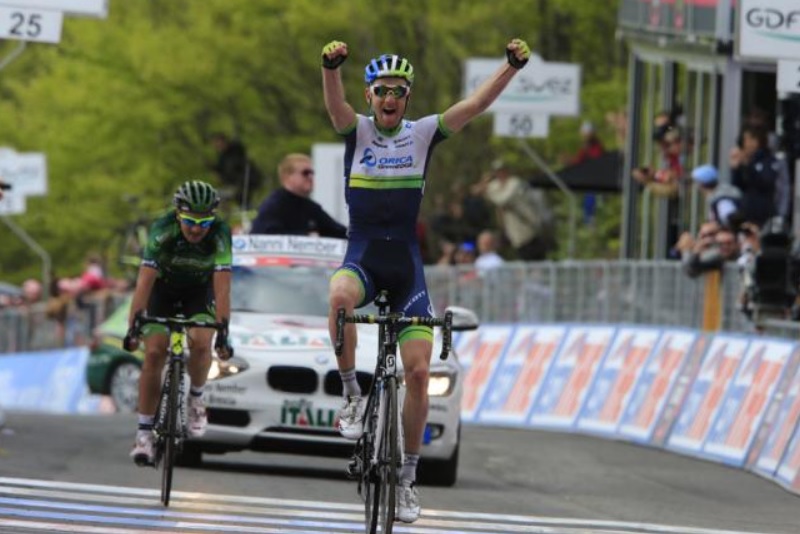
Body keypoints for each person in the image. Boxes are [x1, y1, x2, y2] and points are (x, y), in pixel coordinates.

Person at [320, 37, 531, 522]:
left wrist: (511, 67)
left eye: (398, 90)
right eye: (381, 90)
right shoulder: (357, 132)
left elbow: (475, 105)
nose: (389, 98)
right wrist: (330, 69)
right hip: (364, 258)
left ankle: (408, 478)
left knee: (418, 373)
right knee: (338, 296)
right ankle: (353, 396)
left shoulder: (423, 134)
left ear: (407, 97)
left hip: (407, 266)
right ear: (370, 96)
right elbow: (335, 108)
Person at [124, 180, 234, 466]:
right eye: (189, 221)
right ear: (177, 215)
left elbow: (222, 287)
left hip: (198, 293)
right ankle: (144, 434)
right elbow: (144, 283)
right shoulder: (162, 229)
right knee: (154, 352)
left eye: (204, 221)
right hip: (162, 292)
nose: (197, 229)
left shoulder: (221, 233)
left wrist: (224, 332)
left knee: (201, 343)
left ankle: (196, 400)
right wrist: (133, 326)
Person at [250, 153, 347, 237]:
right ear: (287, 176)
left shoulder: (311, 208)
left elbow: (339, 232)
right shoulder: (273, 206)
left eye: (312, 173)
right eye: (305, 173)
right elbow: (265, 236)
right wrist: (307, 237)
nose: (310, 177)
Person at [475, 159, 553, 261]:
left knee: (536, 260)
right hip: (514, 235)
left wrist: (486, 191)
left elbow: (503, 200)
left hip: (529, 230)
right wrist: (483, 186)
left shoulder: (514, 183)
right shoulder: (496, 186)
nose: (500, 174)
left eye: (502, 171)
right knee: (524, 260)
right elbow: (479, 191)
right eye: (497, 171)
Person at [208, 133, 263, 210]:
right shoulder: (223, 157)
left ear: (224, 142)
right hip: (235, 185)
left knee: (242, 201)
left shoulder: (236, 154)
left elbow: (236, 171)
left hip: (245, 183)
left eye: (218, 142)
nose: (217, 146)